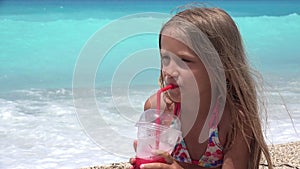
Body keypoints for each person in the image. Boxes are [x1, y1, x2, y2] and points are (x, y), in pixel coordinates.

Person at [130, 6, 273, 169]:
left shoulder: (232, 120)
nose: (169, 71)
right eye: (166, 59)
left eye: (185, 60)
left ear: (222, 68)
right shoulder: (158, 109)